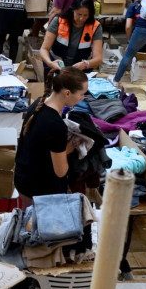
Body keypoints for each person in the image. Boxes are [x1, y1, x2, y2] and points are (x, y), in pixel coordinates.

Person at [14, 67, 88, 207]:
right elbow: (61, 172)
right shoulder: (56, 126)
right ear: (67, 93)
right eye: (81, 94)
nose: (82, 98)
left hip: (24, 178)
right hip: (40, 192)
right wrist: (67, 150)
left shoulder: (37, 104)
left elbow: (38, 147)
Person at [40, 0, 103, 71]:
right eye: (79, 14)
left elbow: (98, 58)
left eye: (85, 15)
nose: (81, 18)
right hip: (57, 66)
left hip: (80, 71)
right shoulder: (59, 21)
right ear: (73, 10)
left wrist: (86, 64)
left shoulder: (95, 26)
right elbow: (44, 49)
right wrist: (50, 63)